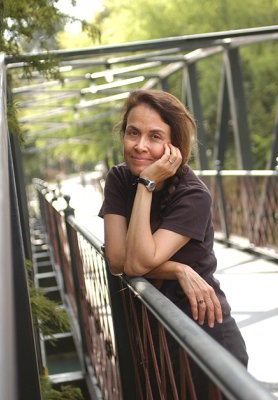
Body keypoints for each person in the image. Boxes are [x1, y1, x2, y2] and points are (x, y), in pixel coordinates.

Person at [99, 89, 248, 398]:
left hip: (202, 335)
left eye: (155, 136)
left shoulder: (193, 195)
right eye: (133, 133)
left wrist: (147, 184)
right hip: (153, 337)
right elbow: (116, 260)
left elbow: (137, 264)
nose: (140, 146)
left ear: (174, 146)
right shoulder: (118, 179)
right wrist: (179, 269)